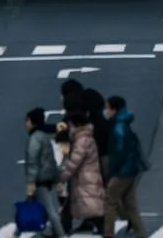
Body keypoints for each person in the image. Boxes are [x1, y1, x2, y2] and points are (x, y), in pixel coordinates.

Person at [102, 96, 148, 238]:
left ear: (114, 109)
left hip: (122, 171)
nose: (106, 111)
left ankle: (108, 234)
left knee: (109, 202)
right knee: (130, 204)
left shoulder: (118, 127)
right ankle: (141, 234)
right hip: (131, 169)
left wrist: (111, 171)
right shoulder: (123, 123)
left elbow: (118, 151)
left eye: (107, 108)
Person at [59, 100, 106, 236]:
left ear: (76, 125)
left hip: (85, 178)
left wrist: (63, 176)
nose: (69, 128)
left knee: (90, 205)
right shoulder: (84, 137)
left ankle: (63, 229)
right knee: (89, 205)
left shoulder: (82, 140)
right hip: (86, 177)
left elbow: (75, 161)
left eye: (70, 125)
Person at [22, 108, 61, 238]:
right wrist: (56, 178)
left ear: (32, 122)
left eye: (27, 120)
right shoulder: (44, 136)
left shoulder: (34, 139)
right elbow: (51, 160)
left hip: (39, 179)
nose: (25, 123)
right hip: (46, 177)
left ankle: (61, 234)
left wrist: (30, 182)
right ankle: (19, 231)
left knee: (49, 210)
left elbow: (32, 163)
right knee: (33, 204)